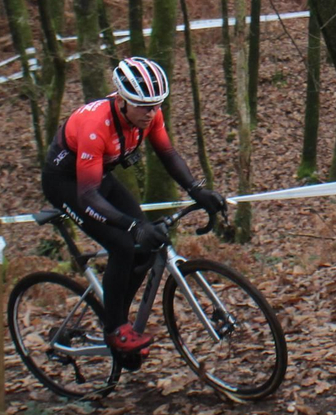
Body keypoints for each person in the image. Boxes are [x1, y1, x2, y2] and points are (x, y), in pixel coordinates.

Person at [41, 56, 226, 362]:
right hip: (67, 185)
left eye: (157, 104)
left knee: (148, 244)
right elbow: (87, 196)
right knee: (125, 245)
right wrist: (132, 226)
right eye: (144, 106)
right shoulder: (95, 125)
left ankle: (114, 314)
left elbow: (167, 152)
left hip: (99, 176)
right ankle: (115, 328)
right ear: (123, 100)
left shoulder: (149, 113)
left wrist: (197, 190)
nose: (151, 112)